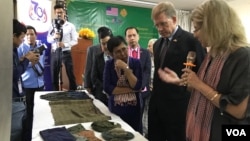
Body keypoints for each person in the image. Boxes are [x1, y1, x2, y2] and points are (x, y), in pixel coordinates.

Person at [158, 0, 250, 141]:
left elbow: (238, 111)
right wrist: (179, 81)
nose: (194, 34)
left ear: (213, 26)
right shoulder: (213, 54)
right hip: (201, 130)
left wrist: (198, 83)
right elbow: (199, 89)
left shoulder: (243, 56)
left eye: (196, 29)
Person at [148, 1, 206, 141]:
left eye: (163, 23)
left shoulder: (192, 40)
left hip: (179, 108)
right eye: (157, 25)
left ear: (174, 19)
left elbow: (203, 72)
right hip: (157, 106)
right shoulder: (157, 44)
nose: (160, 28)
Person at [103, 35, 142, 132]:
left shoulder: (136, 63)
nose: (123, 54)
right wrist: (131, 89)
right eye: (118, 52)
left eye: (124, 49)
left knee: (134, 134)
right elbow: (107, 88)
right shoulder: (109, 64)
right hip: (116, 109)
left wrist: (126, 68)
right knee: (117, 134)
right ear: (112, 54)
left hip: (134, 109)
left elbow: (138, 85)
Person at [12, 19, 39, 141]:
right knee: (16, 132)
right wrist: (27, 59)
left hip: (23, 93)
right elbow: (15, 73)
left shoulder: (13, 50)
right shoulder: (10, 51)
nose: (23, 39)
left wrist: (22, 60)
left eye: (31, 34)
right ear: (14, 36)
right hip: (15, 98)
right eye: (22, 37)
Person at [17, 25, 46, 141]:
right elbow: (19, 67)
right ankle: (27, 137)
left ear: (36, 35)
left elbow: (42, 65)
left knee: (39, 112)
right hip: (27, 86)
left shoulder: (41, 48)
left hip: (40, 84)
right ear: (24, 36)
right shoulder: (20, 49)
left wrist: (34, 62)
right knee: (28, 114)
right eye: (27, 34)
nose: (30, 36)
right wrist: (30, 62)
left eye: (32, 34)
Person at [125, 27, 151, 133]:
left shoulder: (146, 53)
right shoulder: (122, 53)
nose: (132, 38)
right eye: (129, 36)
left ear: (138, 36)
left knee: (139, 117)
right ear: (126, 38)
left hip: (142, 92)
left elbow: (147, 71)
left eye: (134, 35)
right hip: (126, 92)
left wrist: (139, 85)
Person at [47, 4, 77, 91]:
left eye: (61, 12)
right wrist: (54, 37)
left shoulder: (71, 26)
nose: (59, 14)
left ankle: (74, 93)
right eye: (57, 13)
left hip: (66, 52)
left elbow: (75, 40)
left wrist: (65, 44)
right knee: (54, 76)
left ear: (64, 12)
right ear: (55, 13)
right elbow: (48, 39)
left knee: (70, 74)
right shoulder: (52, 25)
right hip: (55, 52)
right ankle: (55, 94)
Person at [91, 27, 113, 106]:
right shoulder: (97, 58)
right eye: (103, 44)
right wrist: (105, 89)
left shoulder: (118, 57)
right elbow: (94, 77)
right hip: (101, 96)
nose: (106, 46)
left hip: (116, 96)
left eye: (108, 43)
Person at [84, 27, 107, 93]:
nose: (105, 46)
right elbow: (88, 68)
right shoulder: (92, 50)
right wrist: (87, 85)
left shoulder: (113, 48)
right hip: (96, 85)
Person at [142, 38, 157, 138]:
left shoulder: (161, 60)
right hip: (147, 91)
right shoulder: (147, 59)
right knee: (145, 112)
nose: (147, 48)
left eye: (149, 46)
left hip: (158, 94)